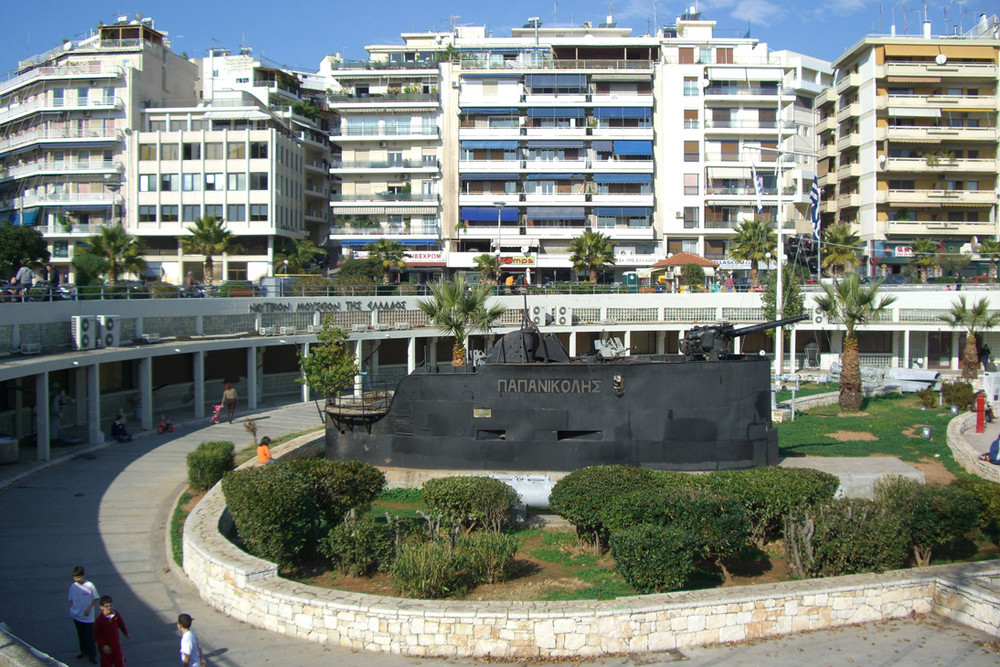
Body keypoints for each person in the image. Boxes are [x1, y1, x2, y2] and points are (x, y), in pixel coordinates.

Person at [68, 565, 100, 664]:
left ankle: (92, 655)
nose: (77, 579)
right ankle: (84, 652)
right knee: (81, 635)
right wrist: (74, 610)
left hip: (88, 618)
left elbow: (96, 598)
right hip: (77, 616)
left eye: (79, 577)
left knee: (90, 637)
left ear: (83, 575)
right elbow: (71, 599)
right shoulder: (73, 586)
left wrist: (89, 609)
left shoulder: (90, 585)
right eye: (75, 577)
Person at [93, 595, 129, 667]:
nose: (109, 608)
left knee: (120, 664)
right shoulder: (99, 620)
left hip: (116, 646)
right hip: (106, 650)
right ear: (101, 607)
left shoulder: (116, 615)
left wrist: (126, 633)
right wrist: (103, 646)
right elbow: (95, 635)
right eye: (106, 606)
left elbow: (121, 624)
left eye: (111, 605)